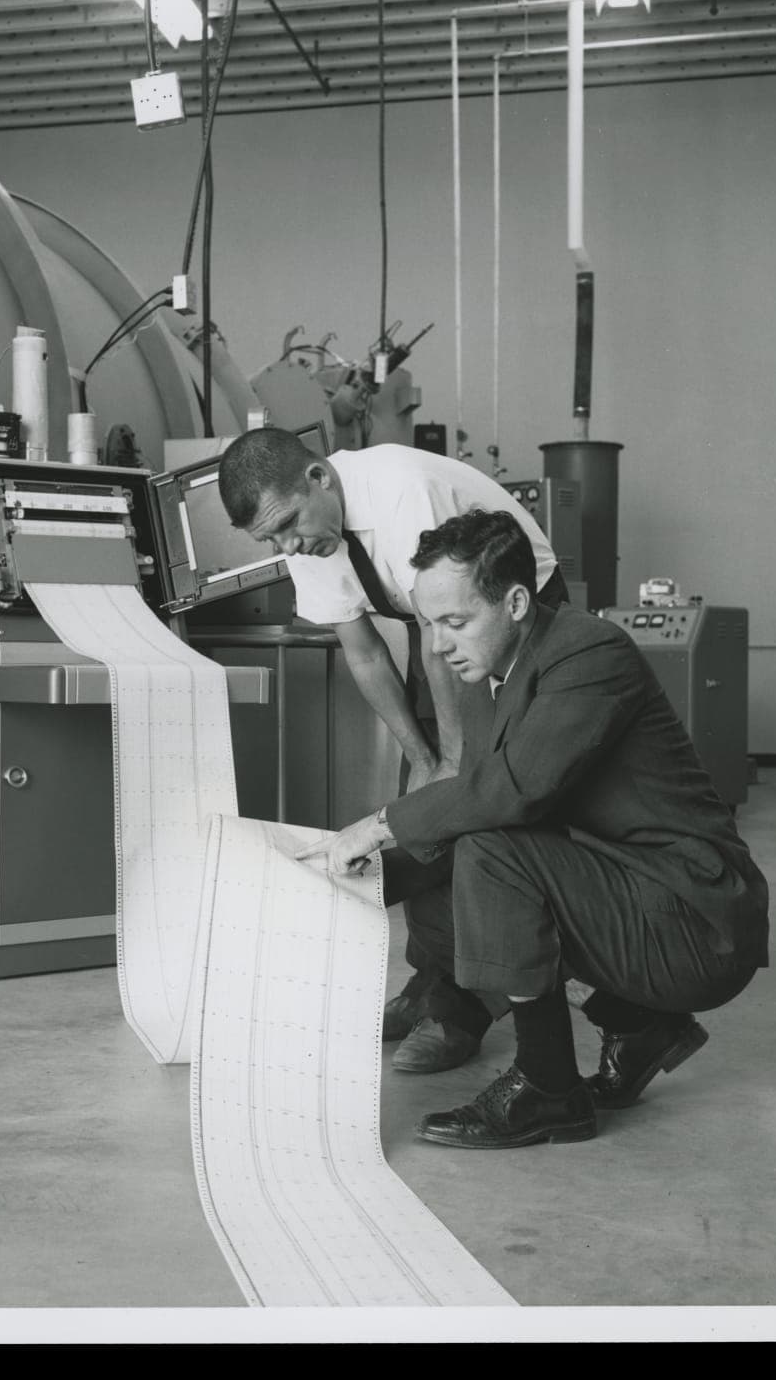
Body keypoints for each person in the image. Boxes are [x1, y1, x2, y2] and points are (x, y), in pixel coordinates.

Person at [297, 509, 769, 1150]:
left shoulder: (589, 652)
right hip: (625, 890)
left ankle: (549, 1091)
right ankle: (637, 1025)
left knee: (493, 850)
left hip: (694, 918)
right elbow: (471, 812)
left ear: (517, 601)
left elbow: (509, 794)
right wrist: (341, 880)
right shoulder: (489, 678)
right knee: (450, 890)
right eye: (429, 624)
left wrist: (377, 827)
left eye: (455, 622)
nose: (437, 646)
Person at [218, 428, 570, 1075]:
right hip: (438, 636)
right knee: (427, 802)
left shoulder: (401, 492)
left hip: (511, 621)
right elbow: (367, 653)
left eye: (290, 524)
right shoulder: (305, 534)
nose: (288, 545)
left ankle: (463, 1007)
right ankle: (431, 980)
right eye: (271, 538)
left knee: (477, 808)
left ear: (320, 477)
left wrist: (453, 771)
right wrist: (424, 758)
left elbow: (448, 624)